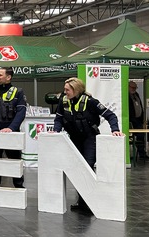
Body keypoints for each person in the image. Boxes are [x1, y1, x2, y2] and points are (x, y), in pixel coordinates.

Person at [53, 77, 124, 212]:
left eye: (67, 90)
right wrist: (56, 131)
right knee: (78, 169)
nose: (65, 92)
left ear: (76, 90)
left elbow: (111, 115)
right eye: (65, 89)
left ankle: (91, 202)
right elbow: (59, 119)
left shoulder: (90, 102)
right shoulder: (63, 101)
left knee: (88, 166)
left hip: (90, 138)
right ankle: (83, 202)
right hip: (74, 138)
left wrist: (115, 130)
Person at [129, 81, 149, 159]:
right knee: (137, 136)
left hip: (138, 119)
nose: (134, 89)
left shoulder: (136, 95)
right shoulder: (126, 95)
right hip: (131, 120)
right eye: (133, 87)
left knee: (141, 136)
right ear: (128, 87)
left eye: (135, 88)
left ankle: (142, 154)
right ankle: (137, 153)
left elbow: (140, 106)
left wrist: (143, 119)